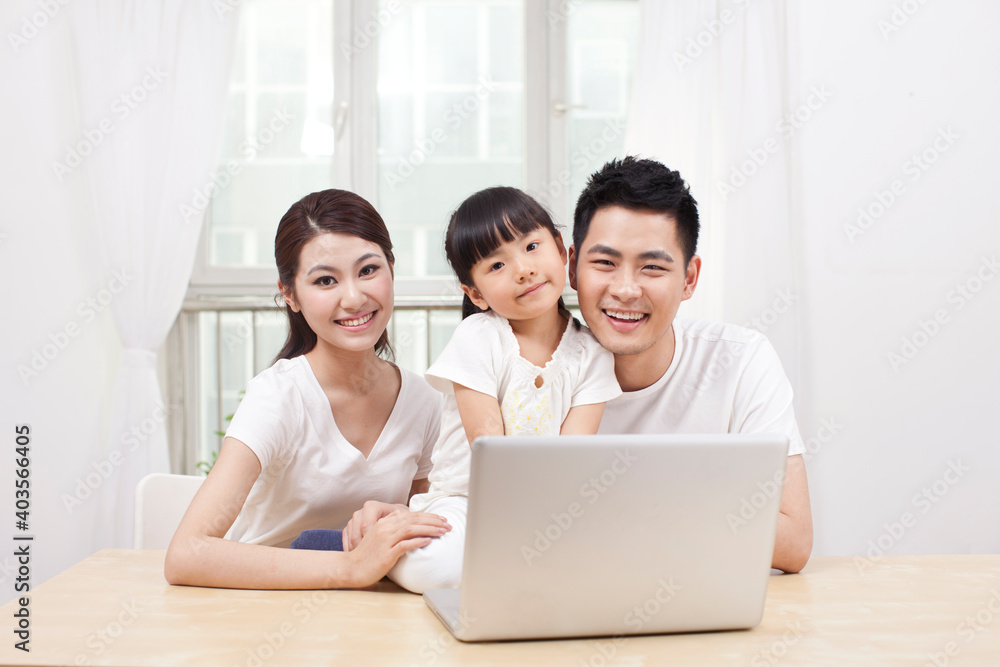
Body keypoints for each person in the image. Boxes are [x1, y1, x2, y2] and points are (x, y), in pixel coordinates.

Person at [164, 189, 451, 589]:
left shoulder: (424, 401)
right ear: (290, 295)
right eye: (325, 280)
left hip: (369, 610)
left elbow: (431, 522)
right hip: (260, 608)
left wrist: (397, 518)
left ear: (391, 268)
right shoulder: (279, 397)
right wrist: (349, 568)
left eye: (368, 270)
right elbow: (186, 555)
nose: (354, 297)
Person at [567, 156, 813, 573]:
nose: (625, 290)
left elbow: (794, 542)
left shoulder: (740, 360)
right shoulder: (530, 370)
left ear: (689, 279)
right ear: (572, 267)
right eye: (605, 263)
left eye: (652, 267)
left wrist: (626, 503)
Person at [383, 186, 622, 593]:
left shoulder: (592, 353)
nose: (523, 270)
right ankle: (375, 540)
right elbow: (487, 445)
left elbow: (572, 455)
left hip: (547, 505)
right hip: (467, 501)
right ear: (475, 294)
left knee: (615, 555)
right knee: (432, 567)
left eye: (531, 246)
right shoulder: (478, 337)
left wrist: (550, 523)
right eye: (496, 265)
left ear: (561, 250)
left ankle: (511, 565)